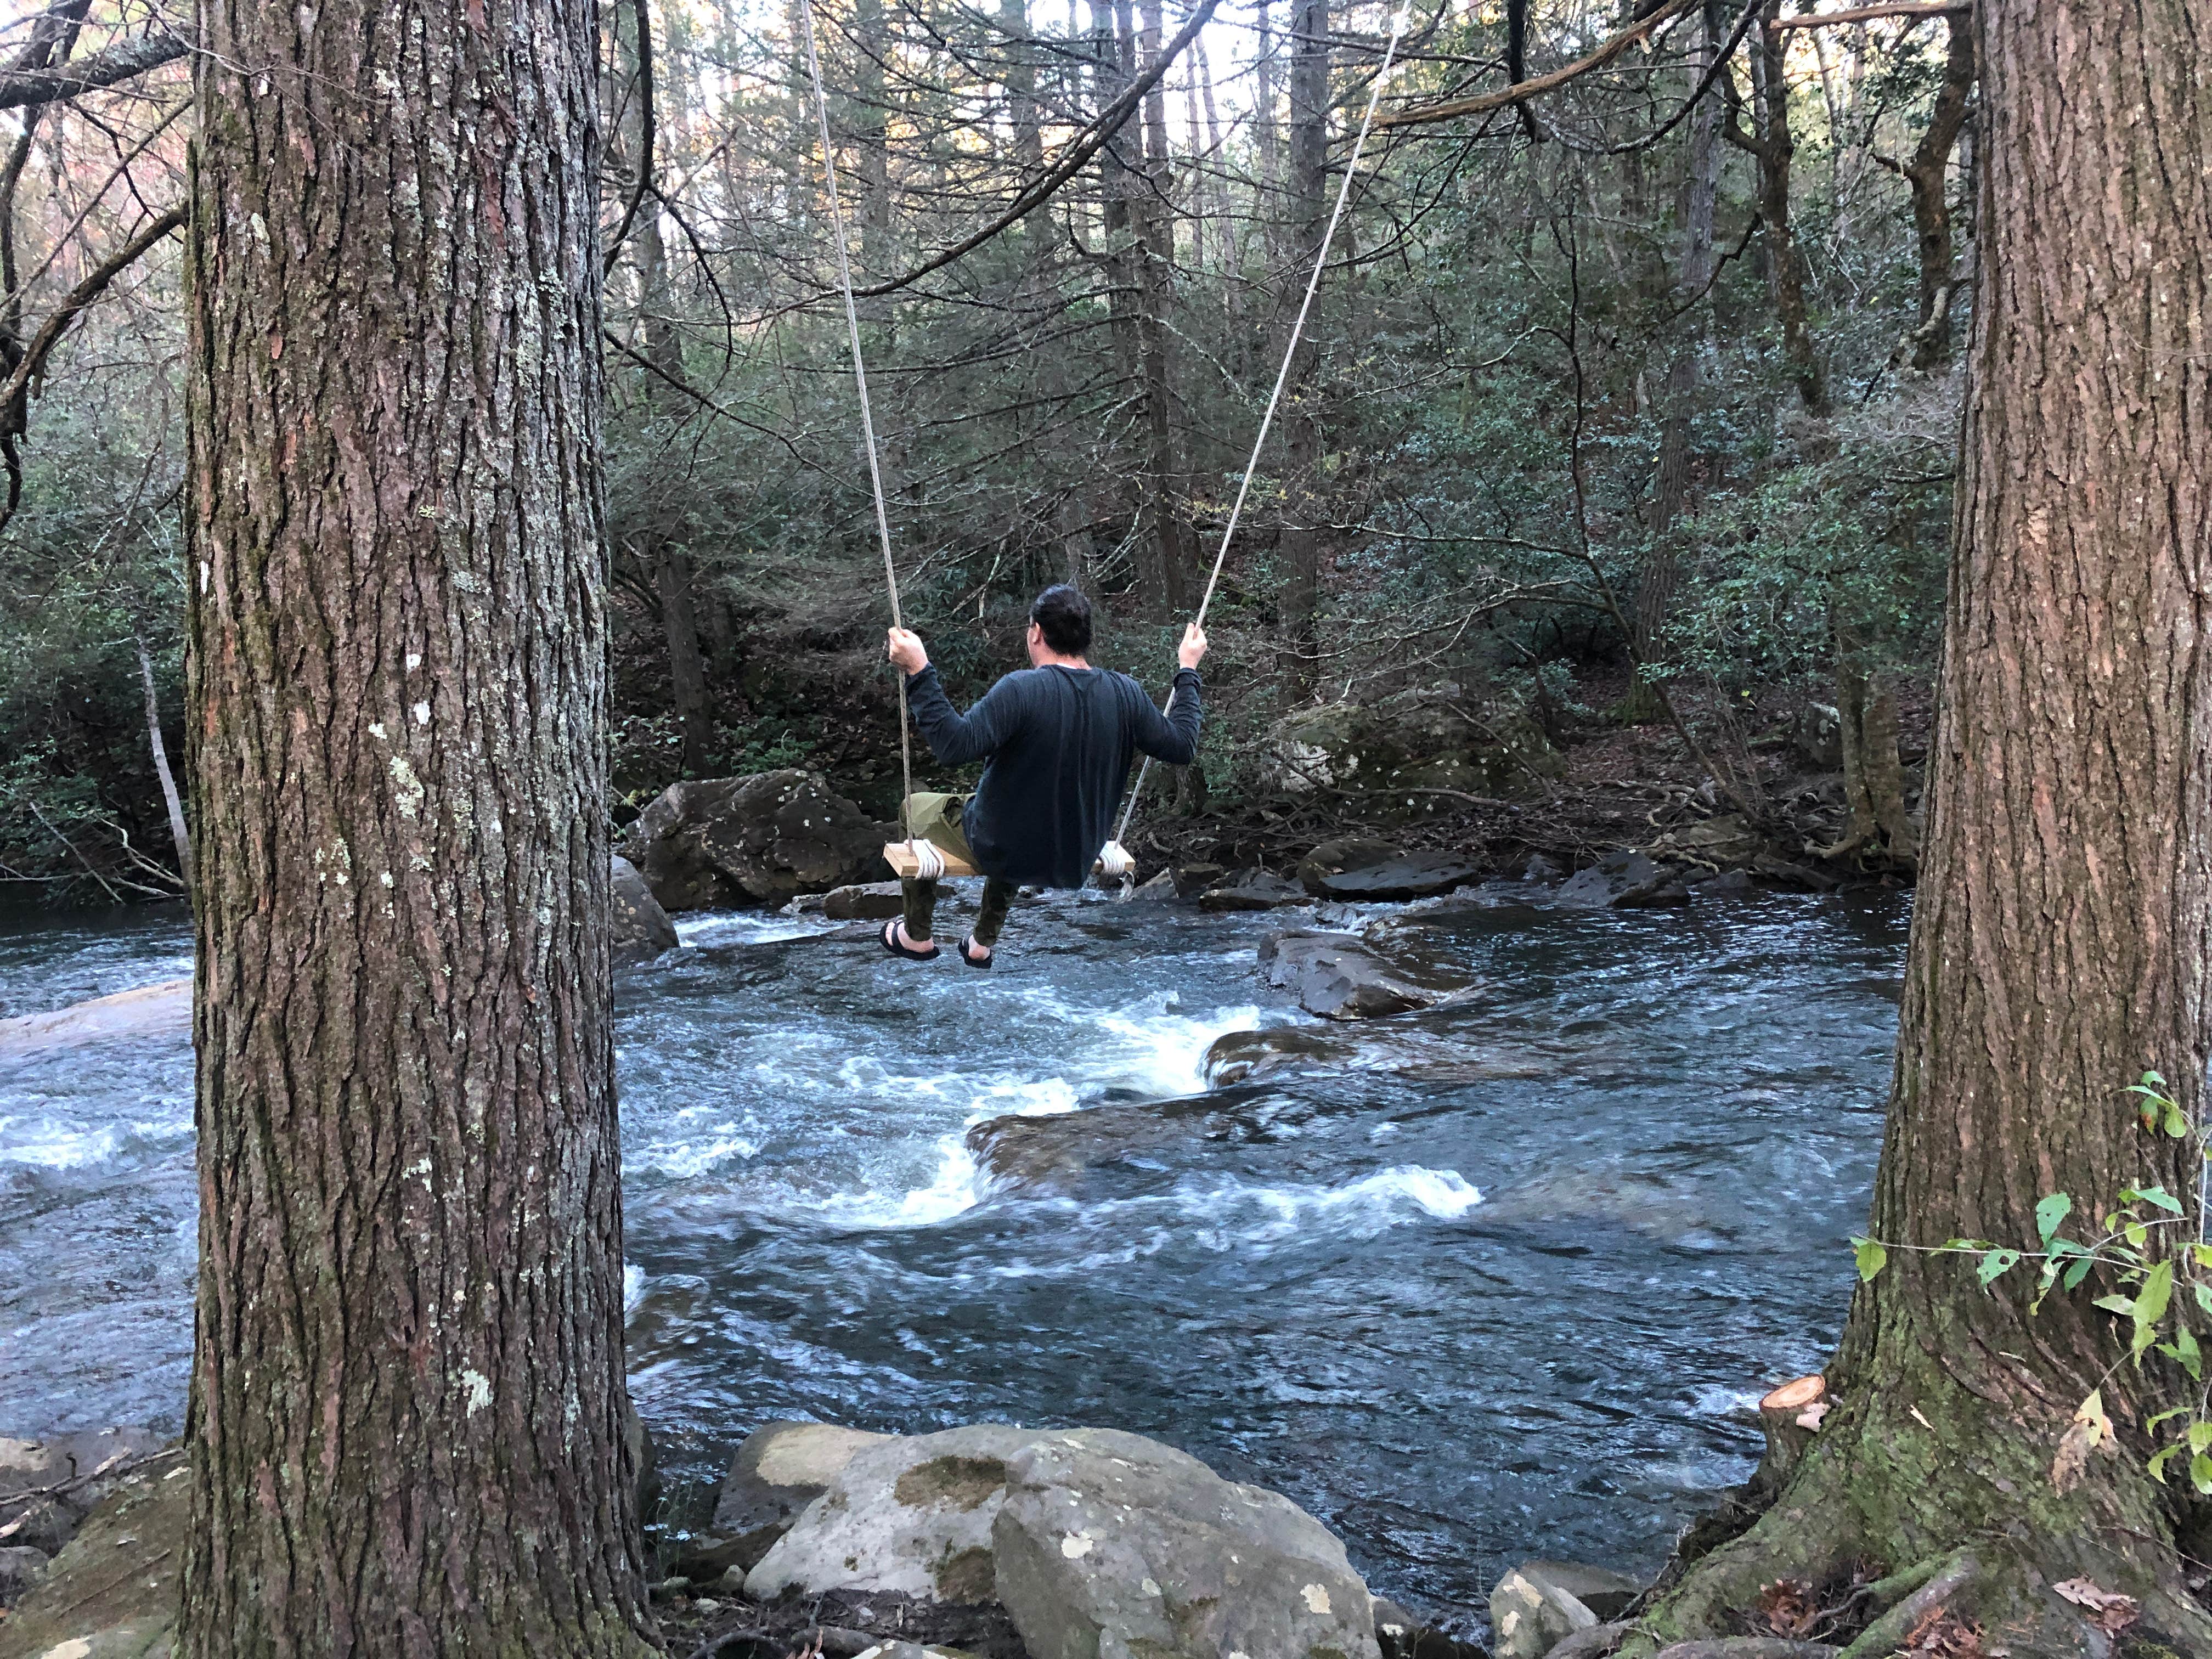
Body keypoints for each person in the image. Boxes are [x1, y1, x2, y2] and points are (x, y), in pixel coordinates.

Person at [881, 584, 1205, 967]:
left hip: (1003, 844)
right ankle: (981, 942)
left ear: (1036, 632)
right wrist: (1188, 669)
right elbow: (1183, 745)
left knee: (914, 807)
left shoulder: (1022, 690)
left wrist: (919, 671)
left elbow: (954, 746)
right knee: (1012, 809)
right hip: (1076, 856)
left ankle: (916, 935)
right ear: (1085, 639)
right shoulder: (1125, 693)